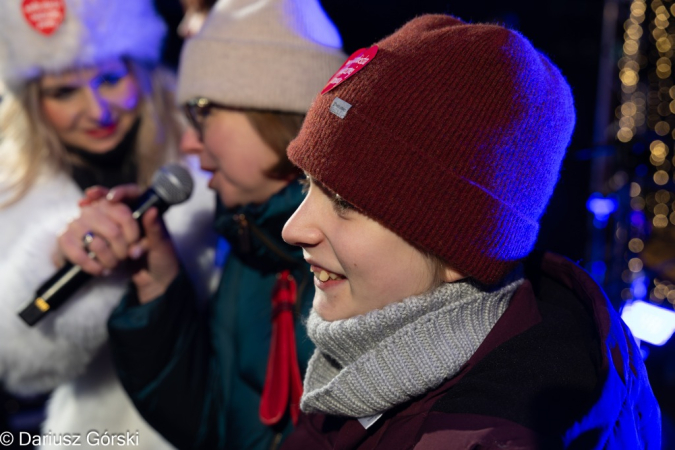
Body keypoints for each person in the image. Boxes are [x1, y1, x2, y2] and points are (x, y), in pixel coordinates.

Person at [279, 15, 662, 449]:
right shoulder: (362, 366)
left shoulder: (490, 436)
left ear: (457, 249)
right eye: (305, 185)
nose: (293, 229)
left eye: (345, 202)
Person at [56, 0, 347, 448]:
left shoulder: (361, 252)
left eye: (202, 112)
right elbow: (215, 424)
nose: (189, 143)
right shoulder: (250, 241)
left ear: (272, 112)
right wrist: (157, 286)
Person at [0, 0, 217, 447]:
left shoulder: (209, 159)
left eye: (111, 79)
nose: (97, 110)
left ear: (141, 70)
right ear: (33, 101)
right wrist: (58, 257)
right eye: (64, 92)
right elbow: (15, 363)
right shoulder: (11, 193)